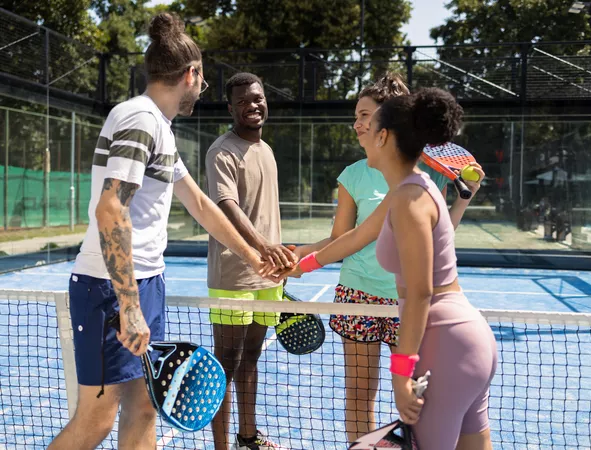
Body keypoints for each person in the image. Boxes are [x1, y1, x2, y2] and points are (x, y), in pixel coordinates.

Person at [47, 14, 272, 450]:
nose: (201, 89)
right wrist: (129, 305)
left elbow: (202, 206)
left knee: (146, 406)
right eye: (202, 81)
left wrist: (254, 256)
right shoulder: (138, 119)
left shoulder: (161, 129)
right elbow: (111, 210)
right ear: (191, 75)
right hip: (109, 290)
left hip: (146, 283)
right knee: (96, 420)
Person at [289, 73, 485, 444]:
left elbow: (432, 257)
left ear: (387, 129)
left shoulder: (416, 185)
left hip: (412, 306)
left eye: (367, 115)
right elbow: (350, 238)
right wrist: (302, 261)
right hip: (362, 298)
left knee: (415, 406)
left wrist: (463, 197)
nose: (358, 124)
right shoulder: (366, 178)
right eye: (356, 115)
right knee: (363, 398)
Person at [205, 72, 295, 450]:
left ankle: (248, 438)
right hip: (233, 278)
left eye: (256, 98)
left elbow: (264, 213)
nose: (252, 106)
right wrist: (263, 247)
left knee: (252, 359)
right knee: (224, 366)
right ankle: (222, 447)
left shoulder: (268, 150)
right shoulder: (220, 151)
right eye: (242, 102)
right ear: (230, 109)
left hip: (269, 278)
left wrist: (280, 252)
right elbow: (228, 207)